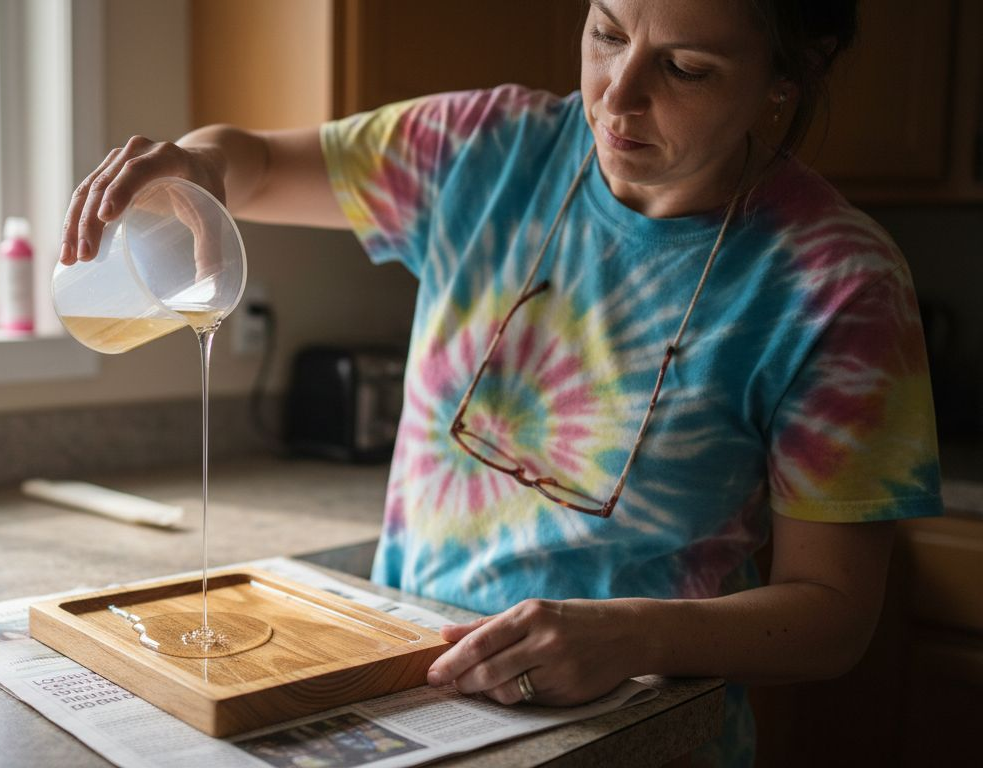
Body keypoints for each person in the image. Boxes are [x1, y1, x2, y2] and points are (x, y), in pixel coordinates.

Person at [60, 1, 942, 764]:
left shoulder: (839, 283)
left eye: (684, 67)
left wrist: (638, 633)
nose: (617, 94)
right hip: (406, 706)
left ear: (787, 76)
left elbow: (834, 618)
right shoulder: (480, 150)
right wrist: (202, 169)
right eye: (607, 32)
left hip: (628, 740)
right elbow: (249, 159)